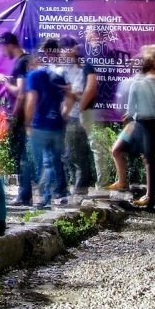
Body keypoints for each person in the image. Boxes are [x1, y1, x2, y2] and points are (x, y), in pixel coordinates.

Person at [118, 55, 155, 210]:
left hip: (141, 123)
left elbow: (131, 109)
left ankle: (148, 196)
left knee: (145, 159)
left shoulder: (136, 84)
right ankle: (150, 196)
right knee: (150, 160)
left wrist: (129, 117)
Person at [24, 40, 68, 210]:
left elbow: (31, 101)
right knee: (56, 160)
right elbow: (67, 99)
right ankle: (62, 194)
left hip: (40, 124)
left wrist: (27, 123)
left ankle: (45, 198)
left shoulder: (34, 76)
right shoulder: (59, 76)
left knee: (44, 163)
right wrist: (63, 117)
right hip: (57, 125)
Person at [0, 32, 34, 206]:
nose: (2, 53)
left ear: (9, 45)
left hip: (22, 115)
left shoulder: (21, 63)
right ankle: (25, 194)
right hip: (27, 115)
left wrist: (5, 83)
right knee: (24, 156)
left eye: (2, 48)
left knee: (23, 157)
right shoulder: (27, 60)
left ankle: (24, 195)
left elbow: (21, 93)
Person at [59, 41, 94, 204]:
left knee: (77, 155)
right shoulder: (63, 70)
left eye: (66, 49)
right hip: (66, 116)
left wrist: (75, 106)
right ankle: (74, 189)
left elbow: (80, 93)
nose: (63, 53)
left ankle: (80, 190)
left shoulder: (83, 69)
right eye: (62, 50)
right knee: (67, 155)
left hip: (76, 115)